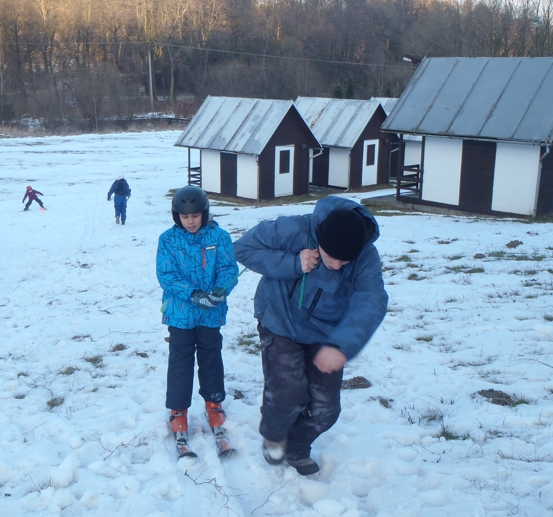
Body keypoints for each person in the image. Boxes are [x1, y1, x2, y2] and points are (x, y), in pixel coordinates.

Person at [233, 196, 388, 475]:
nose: (338, 265)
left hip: (325, 333)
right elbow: (242, 248)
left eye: (345, 260)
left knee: (326, 411)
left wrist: (341, 346)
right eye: (332, 257)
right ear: (319, 240)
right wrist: (292, 262)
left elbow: (371, 300)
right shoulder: (293, 230)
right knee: (288, 392)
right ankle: (274, 435)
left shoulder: (365, 254)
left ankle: (296, 446)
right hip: (280, 319)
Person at [156, 185, 239, 458]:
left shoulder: (219, 236)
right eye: (184, 216)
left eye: (195, 216)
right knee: (180, 361)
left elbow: (229, 269)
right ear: (176, 216)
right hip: (181, 313)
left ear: (204, 213)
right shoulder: (168, 240)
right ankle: (178, 409)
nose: (190, 221)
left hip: (211, 313)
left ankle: (213, 402)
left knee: (211, 357)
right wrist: (193, 294)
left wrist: (220, 290)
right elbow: (166, 276)